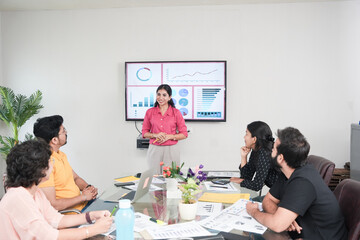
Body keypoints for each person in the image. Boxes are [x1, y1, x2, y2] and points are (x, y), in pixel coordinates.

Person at [246, 127, 348, 239]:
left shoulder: (303, 182)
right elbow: (268, 200)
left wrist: (253, 211)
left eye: (274, 149)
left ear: (280, 158)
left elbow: (277, 225)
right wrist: (283, 219)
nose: (271, 150)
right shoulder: (288, 171)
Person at [0, 140, 113, 239]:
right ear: (39, 169)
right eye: (50, 161)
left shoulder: (35, 192)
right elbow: (49, 236)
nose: (53, 165)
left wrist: (92, 216)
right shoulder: (17, 199)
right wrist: (93, 230)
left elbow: (57, 220)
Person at [33, 115, 98, 211]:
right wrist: (83, 197)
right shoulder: (45, 164)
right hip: (73, 213)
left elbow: (75, 178)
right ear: (54, 140)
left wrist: (88, 188)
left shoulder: (60, 155)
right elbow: (53, 205)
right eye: (63, 131)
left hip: (84, 205)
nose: (66, 132)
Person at [142, 84, 188, 173]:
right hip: (155, 149)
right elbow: (144, 133)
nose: (160, 97)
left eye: (164, 95)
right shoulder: (150, 112)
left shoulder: (176, 113)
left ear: (169, 97)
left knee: (170, 178)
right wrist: (155, 135)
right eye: (158, 94)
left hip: (171, 149)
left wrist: (169, 136)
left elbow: (184, 134)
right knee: (154, 177)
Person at [230, 121, 279, 192]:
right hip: (278, 193)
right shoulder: (257, 150)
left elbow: (256, 185)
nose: (244, 137)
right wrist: (244, 157)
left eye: (246, 134)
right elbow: (246, 177)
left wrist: (240, 181)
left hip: (285, 195)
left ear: (254, 139)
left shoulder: (265, 153)